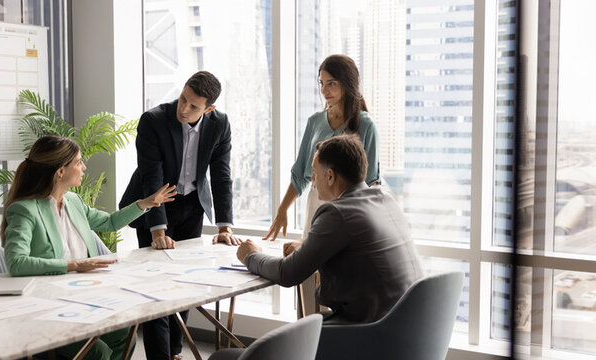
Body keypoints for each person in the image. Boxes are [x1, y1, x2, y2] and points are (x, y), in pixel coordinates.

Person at [2, 135, 177, 360]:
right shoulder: (24, 210)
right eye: (78, 162)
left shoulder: (73, 201)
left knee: (126, 336)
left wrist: (146, 203)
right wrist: (76, 265)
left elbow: (109, 223)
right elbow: (17, 263)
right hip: (49, 307)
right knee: (98, 353)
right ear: (60, 171)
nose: (84, 167)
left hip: (85, 296)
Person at [119, 71, 241, 360]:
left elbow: (221, 175)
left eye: (193, 106)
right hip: (155, 205)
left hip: (192, 207)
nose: (183, 109)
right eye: (183, 98)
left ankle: (174, 351)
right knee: (156, 288)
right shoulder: (154, 121)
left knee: (185, 284)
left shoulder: (220, 124)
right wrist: (157, 230)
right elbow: (152, 176)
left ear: (209, 109)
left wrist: (225, 226)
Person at [238, 135, 423, 324]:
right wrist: (306, 249)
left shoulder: (337, 213)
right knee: (304, 328)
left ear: (330, 176)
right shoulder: (386, 200)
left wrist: (250, 256)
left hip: (374, 333)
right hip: (409, 326)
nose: (312, 178)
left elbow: (288, 273)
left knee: (293, 337)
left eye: (314, 172)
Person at [262, 54, 380, 316]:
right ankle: (306, 337)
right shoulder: (315, 122)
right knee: (308, 275)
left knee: (336, 278)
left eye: (332, 83)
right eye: (321, 83)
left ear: (348, 84)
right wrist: (283, 210)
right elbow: (301, 172)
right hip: (317, 204)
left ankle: (330, 338)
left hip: (349, 209)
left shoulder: (365, 124)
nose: (325, 90)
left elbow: (371, 181)